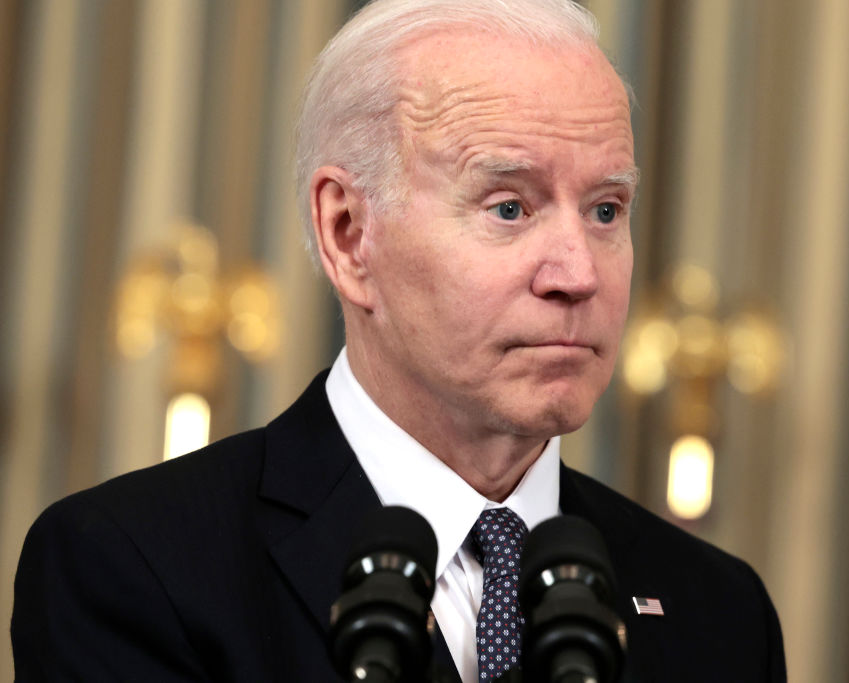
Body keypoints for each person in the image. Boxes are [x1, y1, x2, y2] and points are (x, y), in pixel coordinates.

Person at [11, 0, 786, 681]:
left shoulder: (717, 609)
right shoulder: (136, 569)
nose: (577, 273)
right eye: (509, 207)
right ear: (349, 233)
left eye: (606, 210)